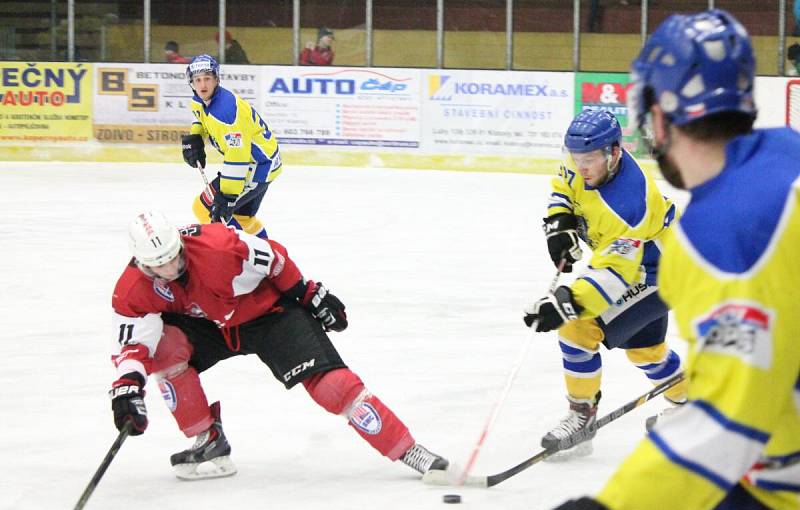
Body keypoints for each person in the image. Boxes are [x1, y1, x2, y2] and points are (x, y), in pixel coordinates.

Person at [460, 10, 800, 510]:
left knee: (622, 340)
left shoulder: (722, 233)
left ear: (655, 116)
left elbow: (730, 419)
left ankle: (603, 405)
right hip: (759, 494)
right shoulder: (786, 157)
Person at [109, 211, 450, 481]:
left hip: (268, 314)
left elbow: (274, 259)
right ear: (141, 262)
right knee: (164, 352)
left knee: (332, 386)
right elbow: (134, 341)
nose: (170, 268)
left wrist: (309, 293)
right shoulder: (131, 289)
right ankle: (207, 440)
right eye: (159, 264)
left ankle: (409, 450)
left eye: (174, 257)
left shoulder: (220, 247)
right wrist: (127, 388)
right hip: (212, 325)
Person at [525, 107, 686, 458]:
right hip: (646, 265)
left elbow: (614, 274)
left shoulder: (631, 203)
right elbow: (564, 188)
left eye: (590, 160)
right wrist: (560, 223)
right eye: (576, 157)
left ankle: (582, 417)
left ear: (614, 153)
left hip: (657, 272)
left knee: (577, 326)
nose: (581, 167)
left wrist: (566, 302)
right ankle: (695, 407)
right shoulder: (582, 158)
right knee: (647, 352)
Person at [181, 54, 280, 240]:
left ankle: (239, 255)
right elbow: (198, 115)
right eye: (197, 80)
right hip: (266, 162)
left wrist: (227, 196)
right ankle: (268, 255)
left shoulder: (226, 112)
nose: (203, 85)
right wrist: (196, 137)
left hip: (257, 166)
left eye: (207, 79)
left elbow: (237, 156)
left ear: (217, 79)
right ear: (191, 83)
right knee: (243, 219)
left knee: (205, 208)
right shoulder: (199, 99)